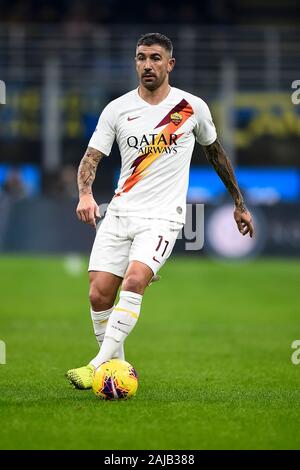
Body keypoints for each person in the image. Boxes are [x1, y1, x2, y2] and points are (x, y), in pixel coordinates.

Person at [66, 32, 254, 389]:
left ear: (170, 64)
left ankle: (95, 365)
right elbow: (91, 158)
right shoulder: (117, 109)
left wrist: (239, 204)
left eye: (154, 58)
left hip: (163, 218)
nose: (147, 65)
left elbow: (216, 154)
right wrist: (86, 194)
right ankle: (115, 373)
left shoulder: (191, 108)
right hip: (120, 212)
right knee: (98, 293)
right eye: (140, 57)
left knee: (135, 280)